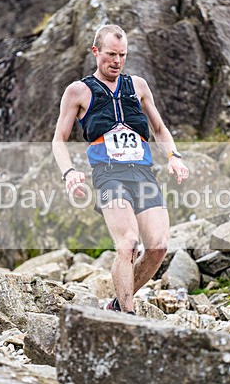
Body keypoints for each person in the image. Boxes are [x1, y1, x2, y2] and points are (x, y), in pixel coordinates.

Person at [52, 24, 190, 315]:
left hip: (143, 173)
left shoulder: (137, 86)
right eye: (111, 54)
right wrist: (69, 172)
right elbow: (58, 140)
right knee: (128, 244)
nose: (116, 61)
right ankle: (127, 316)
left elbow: (161, 129)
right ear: (95, 52)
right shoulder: (78, 91)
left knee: (158, 247)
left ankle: (116, 304)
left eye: (122, 55)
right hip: (108, 173)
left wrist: (173, 156)